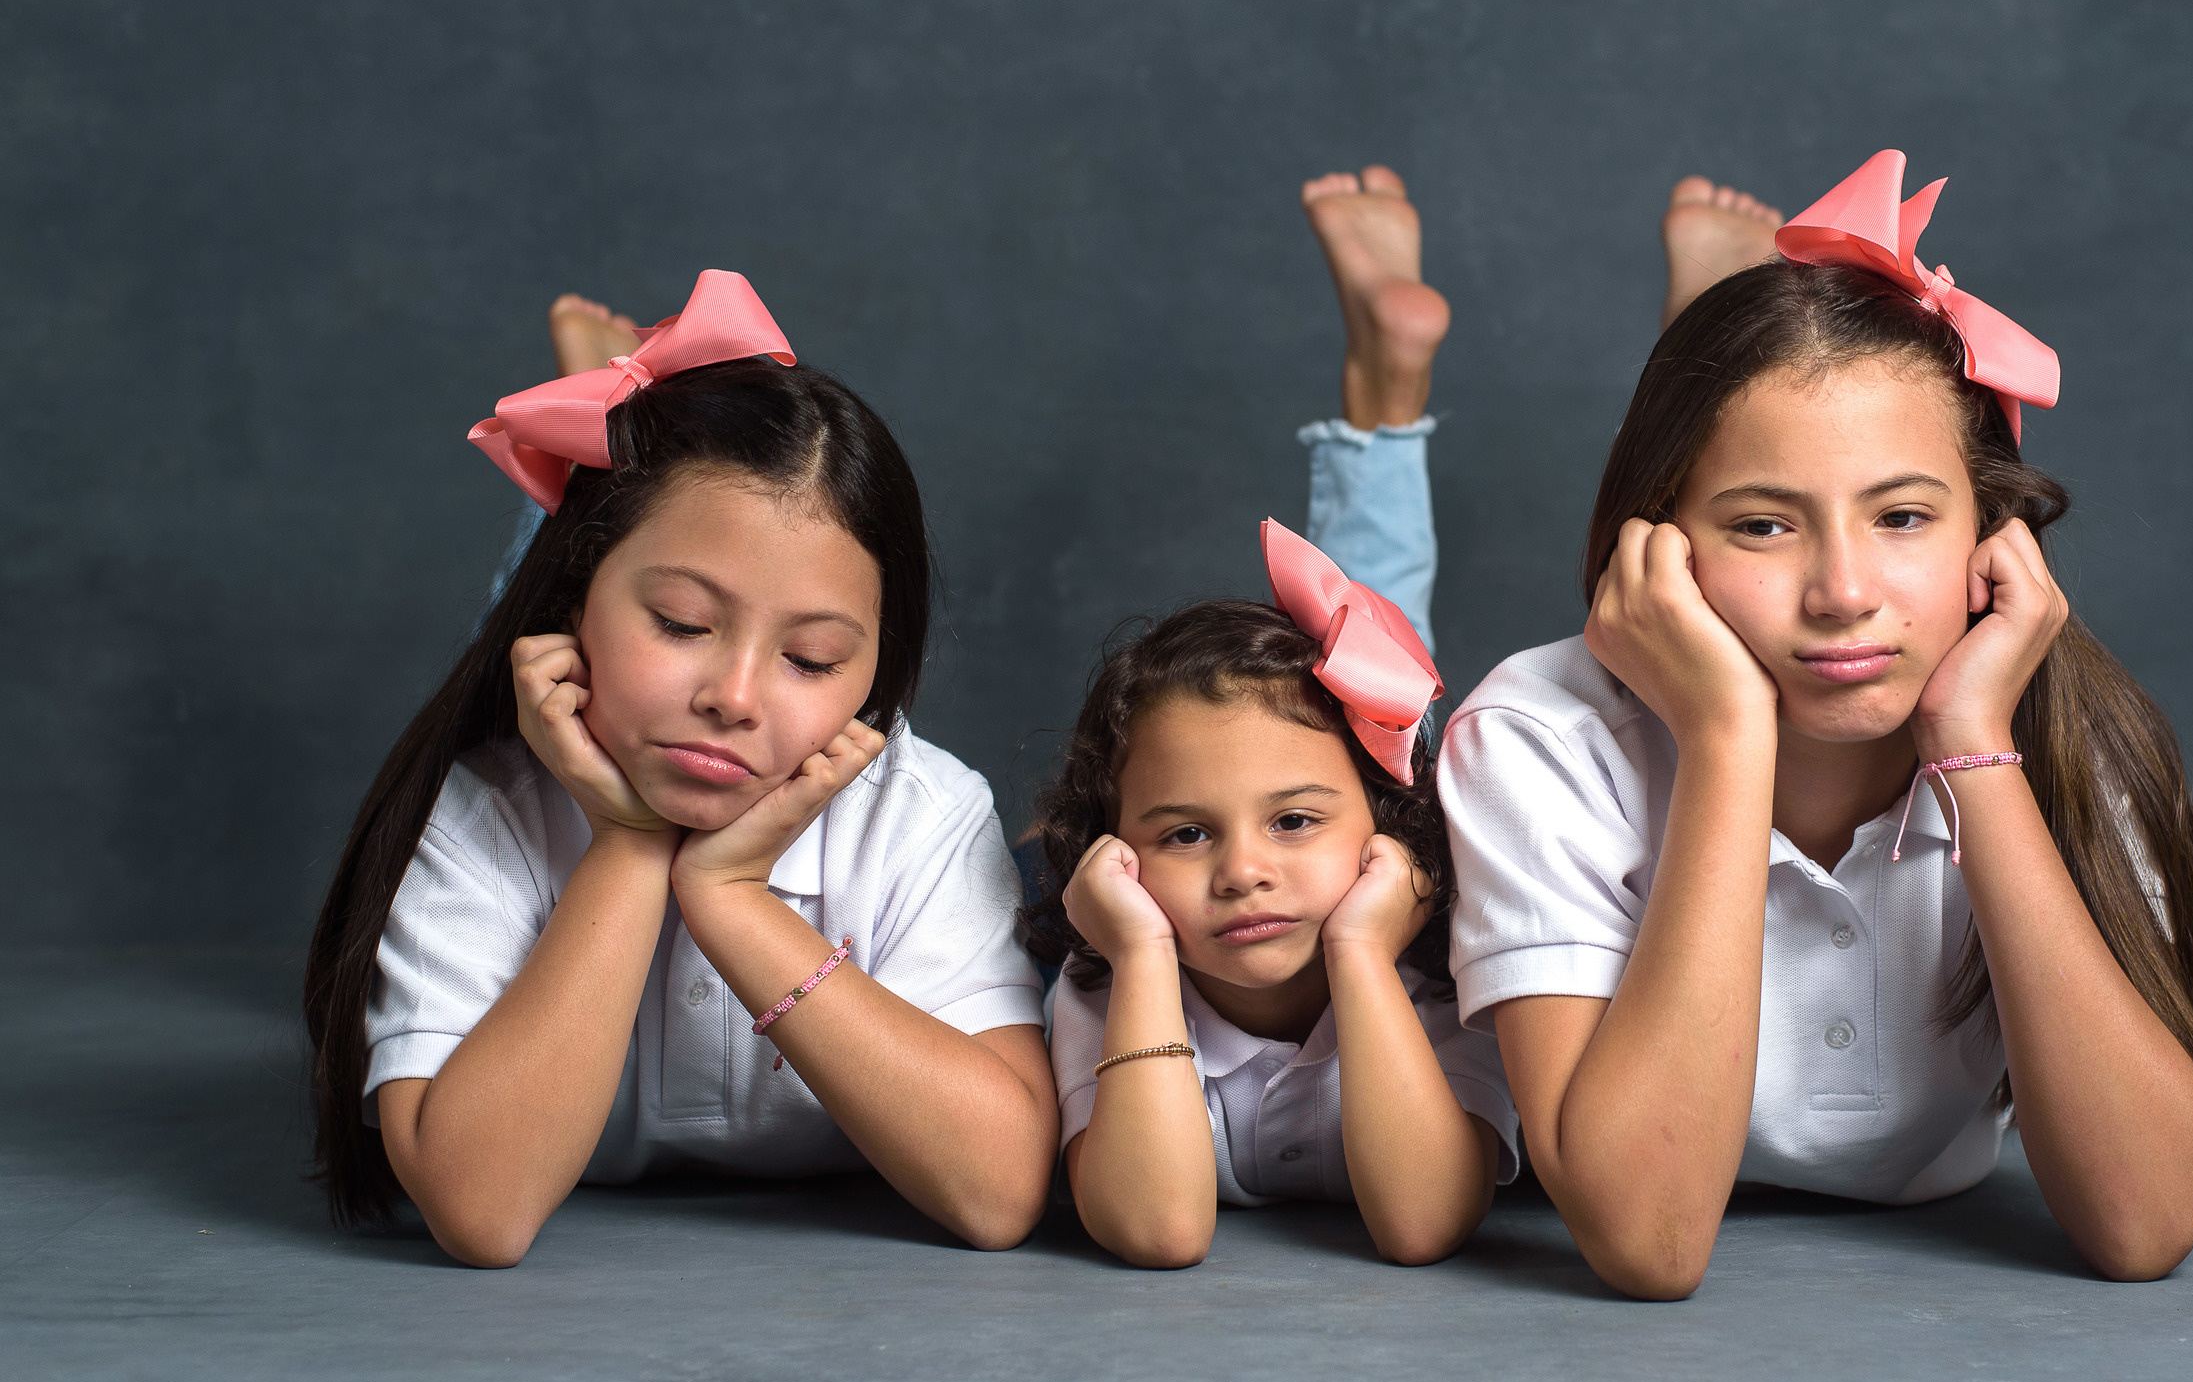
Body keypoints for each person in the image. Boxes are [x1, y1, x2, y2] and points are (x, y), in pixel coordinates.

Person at [1438, 151, 2193, 1299]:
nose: (1843, 592)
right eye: (1763, 525)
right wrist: (1725, 737)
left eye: (1902, 515)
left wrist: (1974, 744)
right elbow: (1648, 1239)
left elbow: (2146, 1222)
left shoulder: (2060, 730)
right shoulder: (1534, 734)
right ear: (1654, 546)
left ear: (1994, 536)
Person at [302, 272, 1058, 1266]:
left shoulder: (924, 811)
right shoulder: (483, 809)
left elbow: (999, 1192)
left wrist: (733, 898)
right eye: (682, 622)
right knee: (528, 622)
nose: (735, 696)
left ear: (875, 675)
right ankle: (587, 473)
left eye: (812, 659)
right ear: (583, 600)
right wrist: (627, 843)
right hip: (574, 684)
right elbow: (481, 1211)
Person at [1016, 168, 1518, 1269]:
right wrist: (1141, 952)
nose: (1242, 871)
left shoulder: (1444, 967)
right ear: (1116, 852)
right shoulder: (1113, 971)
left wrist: (1363, 952)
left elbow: (1426, 1220)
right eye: (1185, 833)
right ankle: (1383, 398)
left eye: (1291, 824)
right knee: (1346, 654)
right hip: (1234, 864)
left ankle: (1389, 399)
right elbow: (1155, 1228)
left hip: (1395, 824)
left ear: (1388, 835)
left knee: (1367, 648)